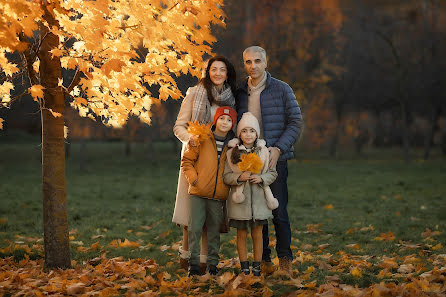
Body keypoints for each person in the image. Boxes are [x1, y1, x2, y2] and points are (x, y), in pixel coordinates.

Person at [236, 46, 303, 275]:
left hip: (275, 161)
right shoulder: (240, 93)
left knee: (278, 212)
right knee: (257, 213)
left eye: (257, 61)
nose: (252, 66)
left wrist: (279, 149)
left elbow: (295, 122)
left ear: (266, 62)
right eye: (247, 62)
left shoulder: (282, 89)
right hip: (249, 160)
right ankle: (263, 260)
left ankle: (285, 259)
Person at [172, 55, 237, 272]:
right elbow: (179, 126)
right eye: (214, 69)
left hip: (217, 160)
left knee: (211, 210)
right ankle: (186, 256)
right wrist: (189, 138)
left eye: (222, 70)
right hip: (195, 155)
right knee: (190, 209)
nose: (218, 73)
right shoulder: (194, 92)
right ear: (207, 71)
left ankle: (204, 259)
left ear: (227, 74)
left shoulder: (231, 98)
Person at [181, 106, 237, 276]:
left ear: (232, 124)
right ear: (216, 120)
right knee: (195, 229)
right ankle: (194, 265)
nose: (224, 122)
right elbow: (187, 161)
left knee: (213, 231)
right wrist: (194, 179)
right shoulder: (203, 138)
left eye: (229, 120)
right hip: (198, 192)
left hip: (218, 195)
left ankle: (212, 265)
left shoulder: (233, 145)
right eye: (222, 118)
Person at [223, 112, 278, 276]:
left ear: (257, 133)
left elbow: (272, 173)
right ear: (239, 133)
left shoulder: (264, 152)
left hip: (259, 201)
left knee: (258, 234)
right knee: (241, 234)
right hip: (240, 202)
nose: (248, 134)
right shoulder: (232, 153)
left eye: (252, 131)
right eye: (244, 131)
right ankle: (244, 266)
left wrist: (261, 178)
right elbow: (226, 176)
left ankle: (256, 266)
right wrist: (239, 177)